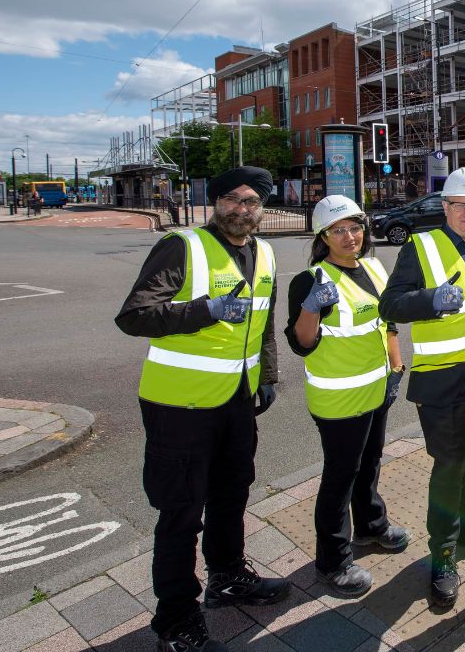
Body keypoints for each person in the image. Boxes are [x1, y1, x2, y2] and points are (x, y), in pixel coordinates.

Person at [115, 166, 291, 652]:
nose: (242, 209)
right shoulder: (183, 246)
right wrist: (204, 310)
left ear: (262, 208)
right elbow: (133, 316)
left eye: (252, 202)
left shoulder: (265, 252)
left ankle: (228, 577)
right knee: (180, 512)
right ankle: (175, 619)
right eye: (233, 200)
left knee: (232, 494)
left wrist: (267, 376)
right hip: (179, 405)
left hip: (236, 401)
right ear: (215, 202)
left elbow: (264, 322)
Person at [378, 167, 465, 608]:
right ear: (445, 207)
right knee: (449, 468)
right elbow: (390, 303)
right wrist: (430, 301)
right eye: (458, 205)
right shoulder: (422, 245)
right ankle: (444, 556)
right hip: (443, 381)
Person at [285, 195, 410, 598]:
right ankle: (333, 561)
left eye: (355, 227)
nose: (350, 236)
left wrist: (395, 366)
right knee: (340, 476)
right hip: (338, 399)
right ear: (323, 236)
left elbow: (386, 322)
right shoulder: (311, 280)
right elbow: (302, 343)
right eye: (339, 230)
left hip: (376, 390)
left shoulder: (373, 266)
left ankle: (372, 525)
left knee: (370, 462)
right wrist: (309, 309)